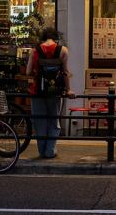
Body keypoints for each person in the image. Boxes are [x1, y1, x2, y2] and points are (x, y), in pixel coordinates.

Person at [26, 27, 74, 158]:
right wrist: (68, 90)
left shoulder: (35, 50)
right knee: (54, 121)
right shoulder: (63, 50)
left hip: (38, 91)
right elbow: (65, 72)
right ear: (56, 37)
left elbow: (28, 72)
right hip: (55, 91)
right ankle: (50, 151)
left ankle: (42, 151)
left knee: (40, 121)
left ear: (43, 37)